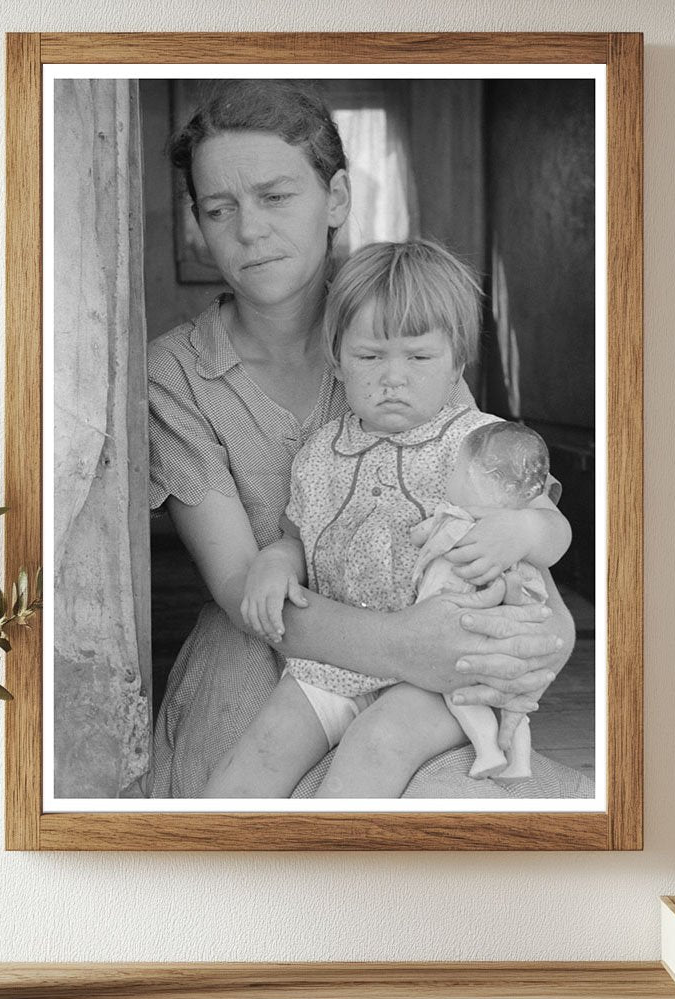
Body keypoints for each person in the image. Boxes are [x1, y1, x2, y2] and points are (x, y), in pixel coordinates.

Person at [148, 80, 574, 799]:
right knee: (245, 795)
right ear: (199, 223)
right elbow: (243, 588)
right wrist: (411, 646)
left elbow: (486, 506)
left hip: (432, 644)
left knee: (449, 797)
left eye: (276, 196)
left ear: (336, 200)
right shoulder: (174, 374)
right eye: (220, 209)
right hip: (271, 652)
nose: (250, 230)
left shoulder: (401, 333)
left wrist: (545, 632)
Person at [203, 240, 570, 798]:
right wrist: (274, 565)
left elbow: (554, 529)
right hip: (341, 659)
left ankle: (336, 871)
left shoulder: (480, 441)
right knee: (264, 744)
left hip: (446, 673)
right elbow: (295, 539)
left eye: (419, 358)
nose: (392, 377)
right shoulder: (320, 452)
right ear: (338, 359)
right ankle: (216, 865)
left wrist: (521, 530)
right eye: (369, 357)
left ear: (457, 365)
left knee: (377, 743)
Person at [413, 419, 553, 781]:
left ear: (479, 478)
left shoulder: (452, 517)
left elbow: (422, 536)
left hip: (458, 629)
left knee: (459, 693)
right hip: (503, 638)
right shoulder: (515, 539)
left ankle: (488, 750)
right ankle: (519, 762)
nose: (452, 475)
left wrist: (418, 532)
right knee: (510, 702)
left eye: (458, 469)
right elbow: (529, 593)